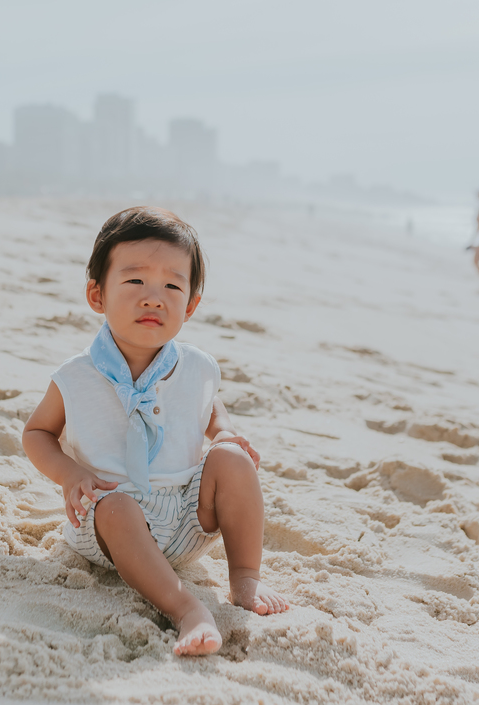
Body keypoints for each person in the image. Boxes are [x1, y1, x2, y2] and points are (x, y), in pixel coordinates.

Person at [21, 206, 288, 658]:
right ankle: (185, 607)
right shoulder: (77, 376)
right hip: (108, 521)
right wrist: (69, 474)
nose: (153, 297)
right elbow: (37, 433)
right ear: (96, 294)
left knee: (233, 460)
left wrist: (223, 431)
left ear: (192, 303)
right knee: (118, 506)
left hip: (184, 515)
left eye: (171, 285)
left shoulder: (197, 366)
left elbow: (207, 405)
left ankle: (245, 578)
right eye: (134, 281)